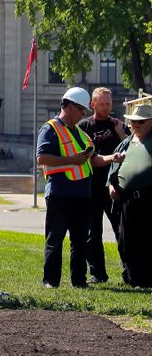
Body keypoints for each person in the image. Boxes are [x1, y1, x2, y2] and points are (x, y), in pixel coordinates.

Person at [36, 86, 124, 289]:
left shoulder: (81, 133)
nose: (84, 113)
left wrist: (113, 157)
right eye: (81, 109)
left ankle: (79, 280)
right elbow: (42, 157)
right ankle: (51, 281)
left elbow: (93, 160)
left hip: (82, 195)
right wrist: (71, 160)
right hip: (60, 193)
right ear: (68, 106)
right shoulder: (50, 129)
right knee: (55, 239)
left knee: (80, 240)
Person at [78, 86, 129, 283]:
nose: (107, 107)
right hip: (92, 187)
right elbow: (88, 158)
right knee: (93, 233)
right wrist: (112, 158)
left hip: (115, 187)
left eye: (109, 103)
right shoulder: (84, 127)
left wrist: (120, 132)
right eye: (102, 104)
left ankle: (129, 272)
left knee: (121, 230)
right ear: (93, 105)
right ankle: (98, 274)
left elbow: (131, 147)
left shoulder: (118, 125)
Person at [107, 103, 152, 287]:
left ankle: (148, 278)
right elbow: (114, 163)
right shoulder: (128, 140)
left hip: (148, 198)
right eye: (133, 121)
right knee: (127, 241)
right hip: (127, 200)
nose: (135, 125)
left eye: (140, 121)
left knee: (147, 240)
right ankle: (134, 279)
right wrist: (111, 184)